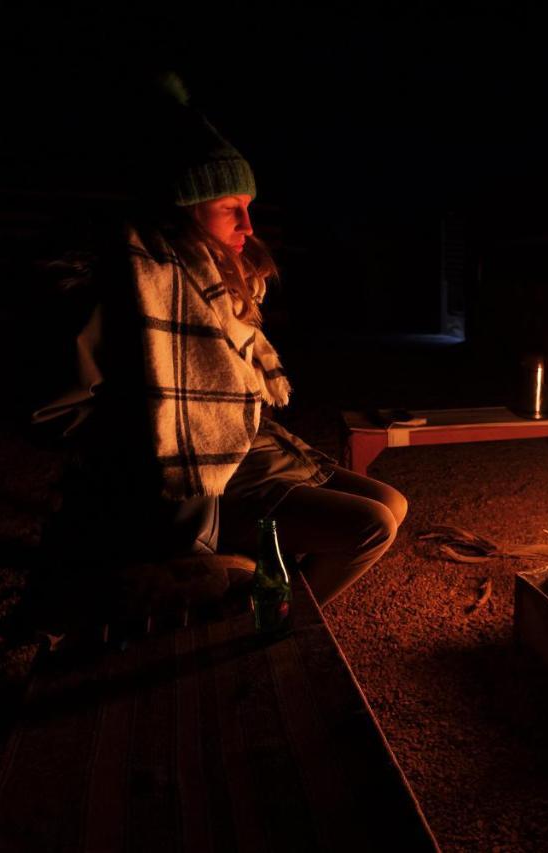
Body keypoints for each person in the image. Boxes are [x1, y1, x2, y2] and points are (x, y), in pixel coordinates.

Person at [33, 73, 405, 607]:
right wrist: (157, 431)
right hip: (192, 475)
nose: (248, 225)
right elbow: (54, 413)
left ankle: (267, 578)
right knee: (370, 526)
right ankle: (263, 616)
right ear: (184, 209)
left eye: (249, 205)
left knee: (392, 502)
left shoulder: (221, 279)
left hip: (247, 450)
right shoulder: (127, 286)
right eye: (231, 207)